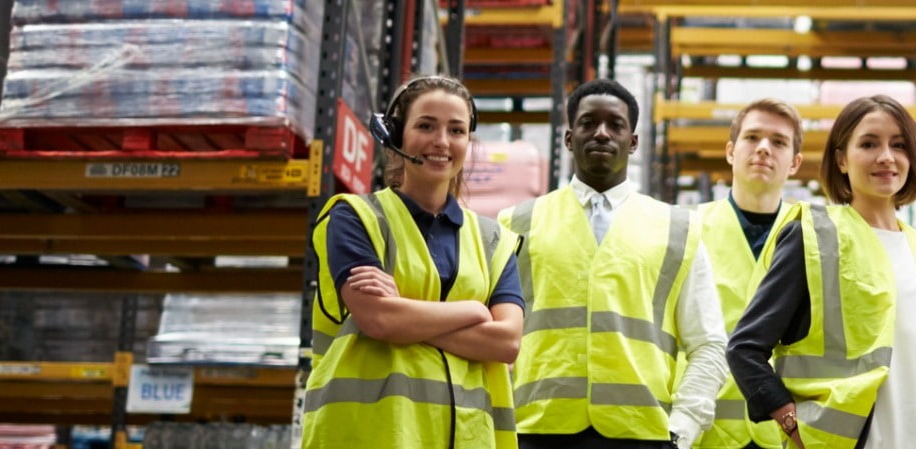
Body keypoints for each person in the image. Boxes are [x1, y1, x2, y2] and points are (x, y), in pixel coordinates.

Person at [727, 95, 916, 449]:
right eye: (868, 144)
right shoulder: (815, 236)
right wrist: (792, 424)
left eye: (899, 145)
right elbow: (744, 348)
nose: (886, 157)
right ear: (841, 159)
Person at [499, 79, 727, 449]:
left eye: (615, 125)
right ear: (569, 138)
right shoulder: (517, 223)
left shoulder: (678, 229)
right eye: (589, 123)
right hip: (537, 432)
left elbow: (709, 342)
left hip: (641, 434)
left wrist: (682, 429)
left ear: (632, 141)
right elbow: (492, 336)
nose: (602, 133)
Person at [304, 75, 525, 449]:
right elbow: (379, 318)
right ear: (395, 135)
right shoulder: (355, 218)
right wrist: (473, 310)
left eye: (456, 130)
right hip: (370, 436)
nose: (441, 141)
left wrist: (403, 315)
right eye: (425, 126)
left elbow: (506, 342)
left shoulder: (494, 241)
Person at [688, 98, 805, 449]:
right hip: (705, 431)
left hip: (786, 430)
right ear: (730, 151)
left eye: (779, 142)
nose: (764, 149)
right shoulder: (687, 229)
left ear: (795, 162)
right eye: (752, 138)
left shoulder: (816, 236)